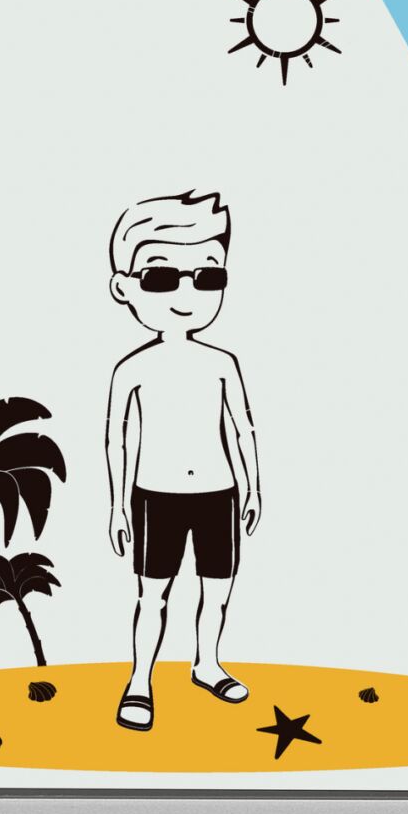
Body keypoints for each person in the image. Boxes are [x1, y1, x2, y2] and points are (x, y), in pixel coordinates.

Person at [104, 190, 261, 732]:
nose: (187, 293)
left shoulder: (223, 362)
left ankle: (207, 664)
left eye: (208, 276)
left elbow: (242, 428)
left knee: (218, 590)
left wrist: (253, 487)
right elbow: (116, 440)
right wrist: (117, 506)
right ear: (124, 287)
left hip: (220, 493)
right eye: (160, 277)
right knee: (153, 595)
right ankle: (139, 681)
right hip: (156, 495)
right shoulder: (131, 368)